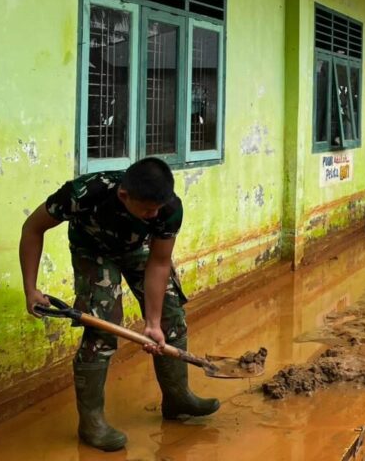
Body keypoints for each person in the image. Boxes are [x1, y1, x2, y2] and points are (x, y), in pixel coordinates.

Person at [19, 158, 219, 452]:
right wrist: (30, 289)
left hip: (137, 250)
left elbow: (160, 261)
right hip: (92, 250)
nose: (153, 216)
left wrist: (152, 324)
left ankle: (178, 399)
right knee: (103, 328)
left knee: (170, 315)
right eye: (147, 210)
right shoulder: (85, 193)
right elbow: (32, 228)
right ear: (125, 196)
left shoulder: (169, 208)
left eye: (157, 210)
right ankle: (91, 423)